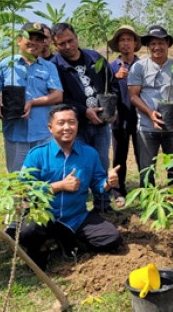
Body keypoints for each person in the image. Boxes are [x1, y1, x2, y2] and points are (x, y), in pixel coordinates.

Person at [18, 105, 123, 270]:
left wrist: (109, 183)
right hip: (45, 216)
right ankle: (42, 248)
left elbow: (98, 185)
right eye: (61, 123)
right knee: (26, 233)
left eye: (71, 122)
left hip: (76, 216)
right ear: (50, 128)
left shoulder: (89, 154)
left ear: (77, 125)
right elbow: (24, 190)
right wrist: (58, 186)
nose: (67, 127)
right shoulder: (37, 155)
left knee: (112, 238)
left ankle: (67, 238)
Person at [51, 22, 118, 211]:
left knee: (102, 162)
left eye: (70, 41)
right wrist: (83, 111)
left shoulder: (94, 57)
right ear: (55, 46)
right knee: (77, 165)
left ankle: (103, 205)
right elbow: (60, 97)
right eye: (61, 44)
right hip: (74, 127)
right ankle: (77, 207)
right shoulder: (55, 66)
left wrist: (112, 107)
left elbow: (110, 83)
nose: (67, 46)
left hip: (100, 124)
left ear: (76, 37)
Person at [0, 22, 63, 172]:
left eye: (39, 39)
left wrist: (32, 102)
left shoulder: (49, 67)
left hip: (43, 133)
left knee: (44, 176)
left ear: (44, 44)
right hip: (15, 133)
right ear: (19, 40)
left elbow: (57, 96)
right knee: (18, 179)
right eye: (30, 37)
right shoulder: (5, 64)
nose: (34, 42)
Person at [128, 26, 173, 189]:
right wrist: (149, 113)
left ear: (167, 43)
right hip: (147, 127)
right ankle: (148, 202)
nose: (157, 47)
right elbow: (133, 96)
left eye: (161, 42)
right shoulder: (139, 67)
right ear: (148, 45)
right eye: (153, 43)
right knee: (147, 168)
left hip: (172, 127)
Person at [108, 25, 141, 208]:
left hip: (139, 118)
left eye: (129, 39)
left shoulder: (142, 65)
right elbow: (104, 89)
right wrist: (115, 77)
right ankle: (118, 191)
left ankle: (145, 189)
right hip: (118, 119)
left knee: (142, 155)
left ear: (135, 43)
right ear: (117, 44)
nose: (126, 43)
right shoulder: (111, 67)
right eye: (122, 40)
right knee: (119, 156)